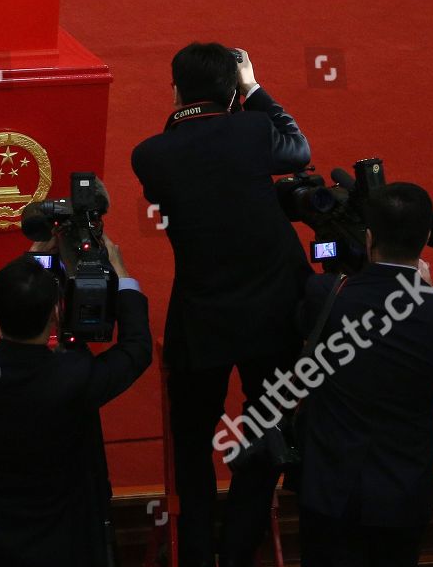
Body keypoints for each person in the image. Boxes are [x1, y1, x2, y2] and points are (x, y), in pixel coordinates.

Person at [130, 43, 312, 567]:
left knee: (191, 441)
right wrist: (254, 90)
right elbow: (298, 151)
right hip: (275, 313)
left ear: (174, 90)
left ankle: (194, 553)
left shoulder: (150, 155)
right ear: (234, 91)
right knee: (267, 427)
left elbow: (186, 170)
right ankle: (237, 551)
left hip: (201, 317)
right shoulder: (254, 129)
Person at [294, 182, 433, 567]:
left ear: (368, 237)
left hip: (329, 494)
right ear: (427, 239)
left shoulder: (323, 296)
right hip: (400, 499)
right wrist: (423, 293)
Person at [0, 243, 152, 567]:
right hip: (57, 541)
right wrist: (121, 275)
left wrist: (29, 263)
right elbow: (136, 348)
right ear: (55, 314)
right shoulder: (74, 376)